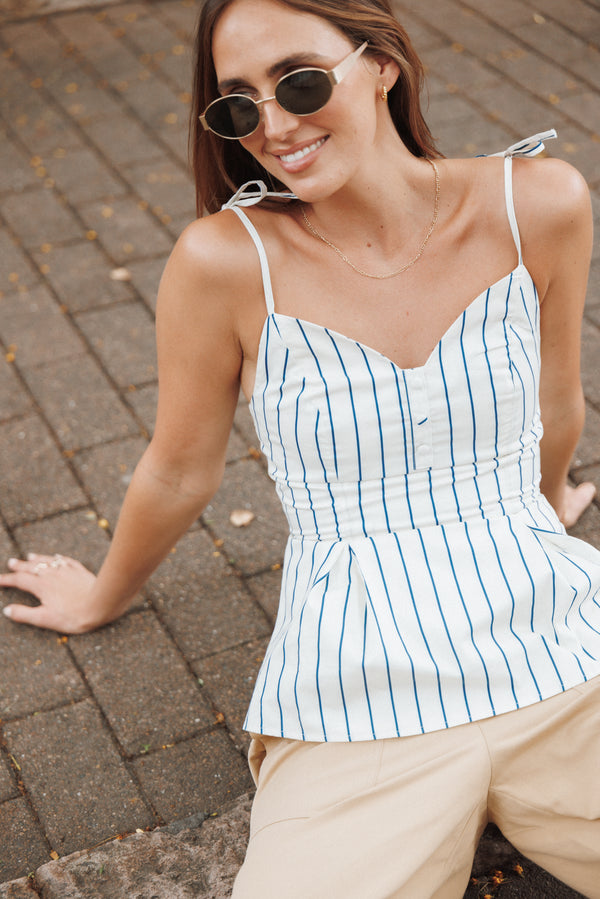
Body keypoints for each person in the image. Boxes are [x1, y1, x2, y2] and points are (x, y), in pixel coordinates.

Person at [1, 0, 599, 895]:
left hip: (565, 650)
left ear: (385, 63)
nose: (273, 125)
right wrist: (101, 597)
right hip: (354, 694)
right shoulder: (224, 261)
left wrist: (543, 507)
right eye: (237, 103)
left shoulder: (539, 202)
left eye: (300, 80)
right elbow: (177, 465)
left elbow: (559, 400)